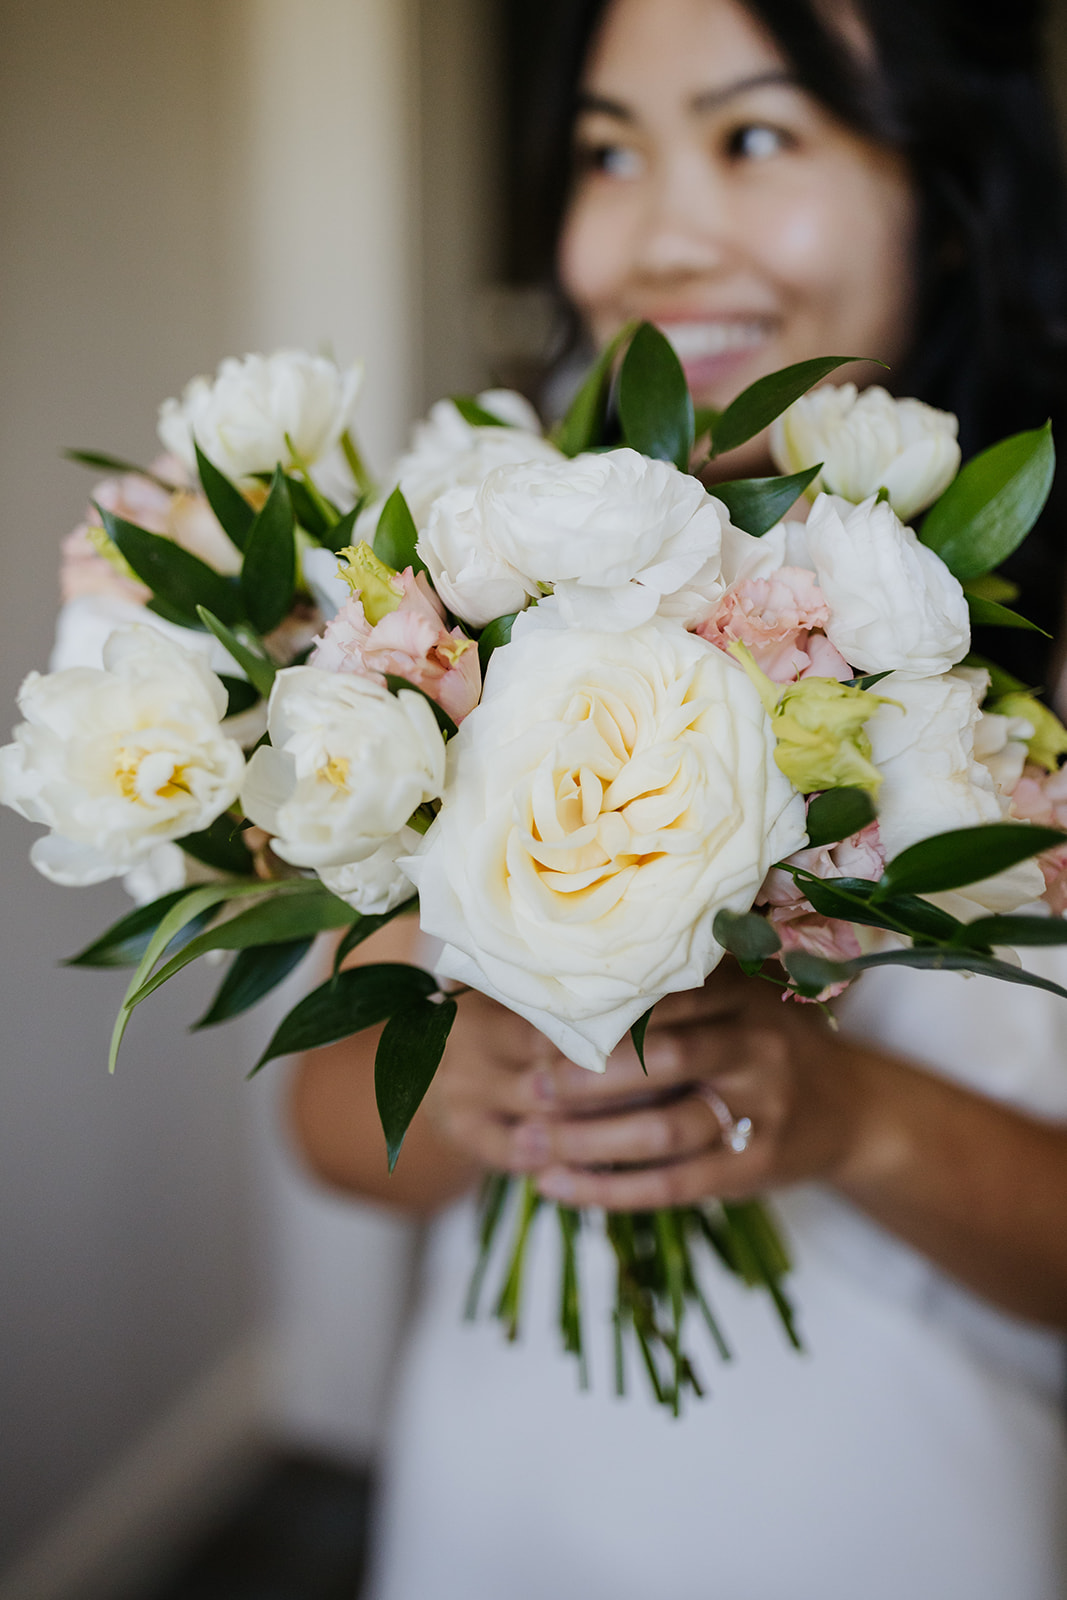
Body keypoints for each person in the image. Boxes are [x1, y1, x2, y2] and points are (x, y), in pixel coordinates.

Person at [291, 2, 1067, 1596]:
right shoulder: (487, 592)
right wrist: (474, 1085)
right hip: (494, 1494)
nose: (654, 239)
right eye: (607, 149)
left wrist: (852, 1115)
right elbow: (324, 1124)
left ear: (950, 178)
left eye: (756, 134)